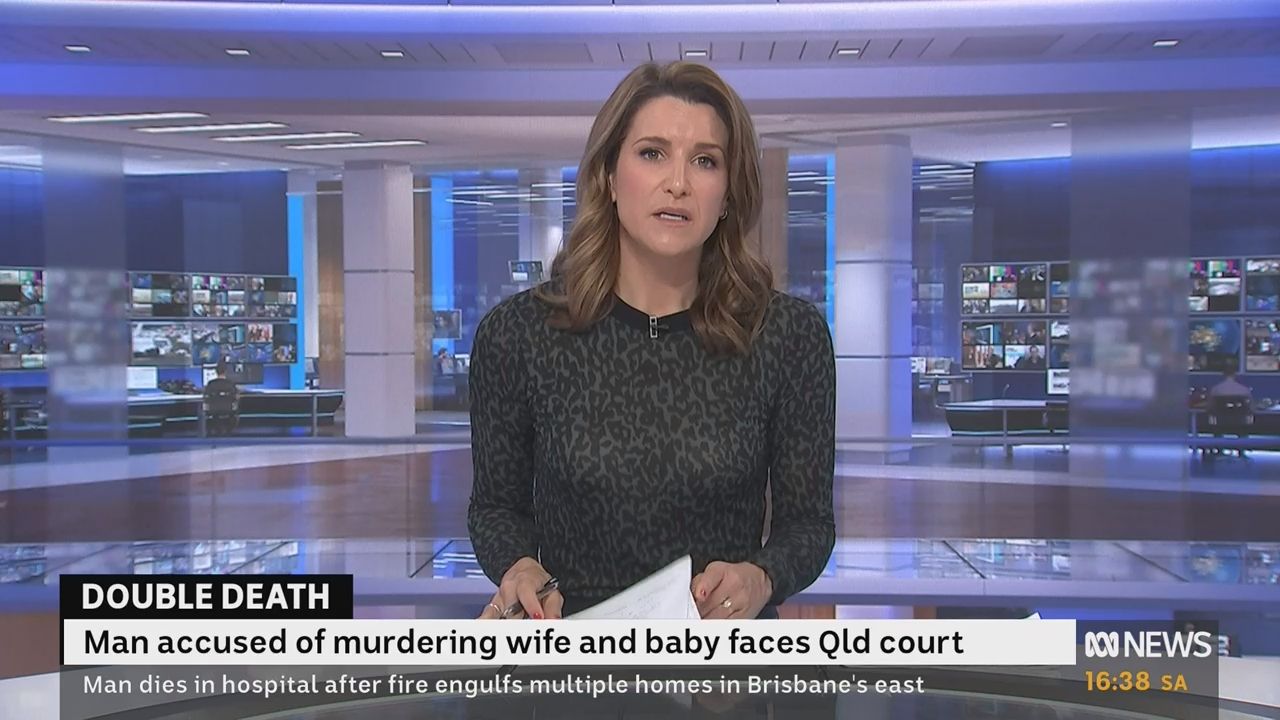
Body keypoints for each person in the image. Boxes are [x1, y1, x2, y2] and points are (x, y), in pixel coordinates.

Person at [467, 61, 835, 622]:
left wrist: (761, 577)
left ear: (728, 194)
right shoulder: (517, 336)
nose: (678, 183)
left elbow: (808, 525)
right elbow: (496, 508)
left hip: (722, 658)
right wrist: (519, 567)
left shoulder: (788, 336)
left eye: (705, 161)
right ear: (610, 178)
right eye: (652, 153)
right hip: (575, 652)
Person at [203, 361, 239, 436]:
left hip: (213, 410)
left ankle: (214, 430)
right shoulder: (230, 384)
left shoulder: (211, 384)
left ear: (216, 371)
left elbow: (205, 397)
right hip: (228, 409)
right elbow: (236, 397)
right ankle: (229, 431)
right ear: (225, 371)